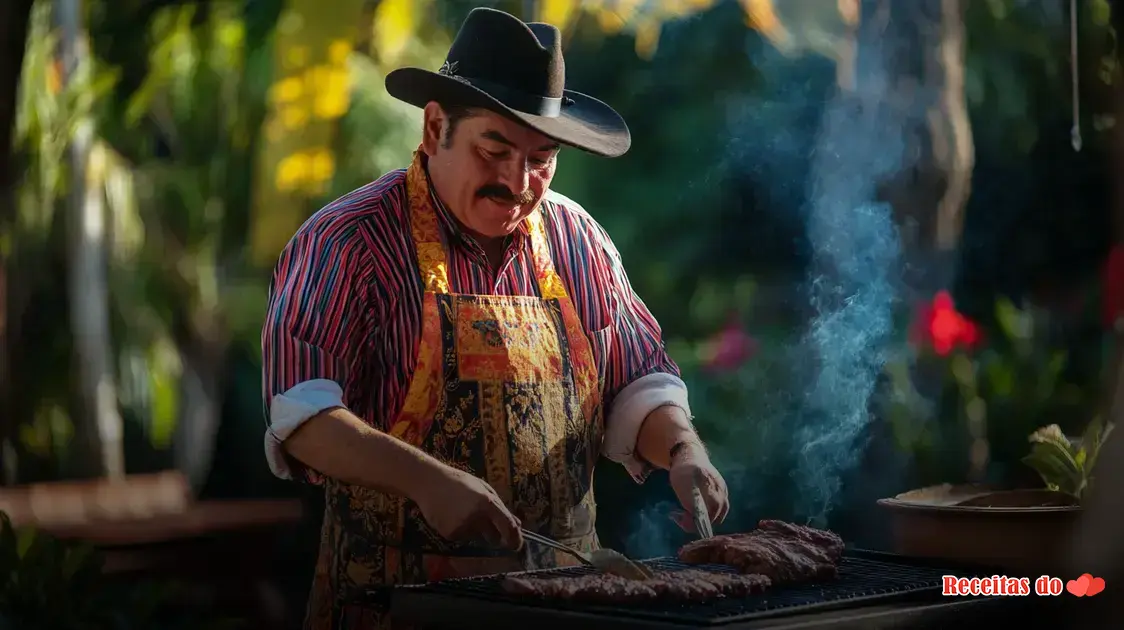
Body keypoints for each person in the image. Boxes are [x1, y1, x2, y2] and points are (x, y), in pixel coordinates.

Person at [261, 7, 730, 629]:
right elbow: (301, 415)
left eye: (542, 158)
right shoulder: (348, 240)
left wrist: (683, 449)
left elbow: (638, 381)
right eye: (495, 149)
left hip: (568, 605)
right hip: (391, 608)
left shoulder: (577, 241)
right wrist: (427, 481)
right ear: (434, 129)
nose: (517, 181)